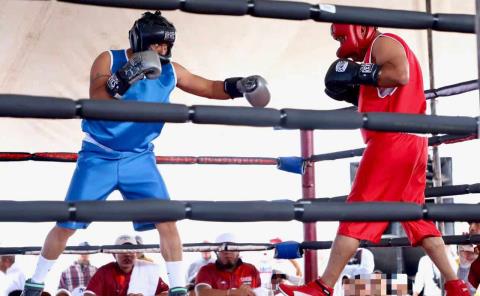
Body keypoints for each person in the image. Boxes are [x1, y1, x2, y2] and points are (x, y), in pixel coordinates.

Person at [21, 10, 270, 296]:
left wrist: (239, 87)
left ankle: (177, 288)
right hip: (98, 155)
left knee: (167, 220)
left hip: (139, 158)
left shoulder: (171, 70)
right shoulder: (109, 58)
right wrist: (128, 74)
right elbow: (97, 97)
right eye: (156, 44)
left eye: (166, 45)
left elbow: (210, 87)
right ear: (141, 40)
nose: (162, 50)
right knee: (67, 221)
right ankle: (35, 283)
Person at [278, 23, 469, 296]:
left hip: (392, 140)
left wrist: (358, 73)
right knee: (416, 215)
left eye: (342, 36)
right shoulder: (375, 53)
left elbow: (399, 75)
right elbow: (386, 89)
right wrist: (356, 90)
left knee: (357, 210)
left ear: (362, 29)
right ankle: (455, 283)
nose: (341, 43)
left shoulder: (383, 41)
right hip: (412, 140)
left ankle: (323, 286)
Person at [83, 234, 169, 296]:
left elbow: (166, 292)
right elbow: (89, 293)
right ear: (114, 254)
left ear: (136, 254)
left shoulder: (147, 270)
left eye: (131, 250)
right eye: (122, 250)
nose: (127, 254)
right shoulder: (104, 271)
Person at [195, 233, 261, 296]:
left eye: (232, 248)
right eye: (222, 249)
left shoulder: (251, 269)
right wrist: (232, 292)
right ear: (216, 252)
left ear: (238, 251)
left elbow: (261, 291)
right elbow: (201, 293)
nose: (227, 252)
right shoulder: (206, 270)